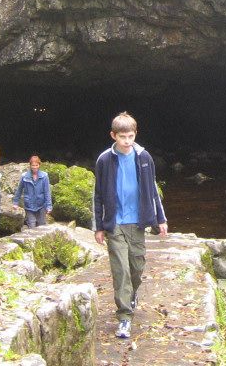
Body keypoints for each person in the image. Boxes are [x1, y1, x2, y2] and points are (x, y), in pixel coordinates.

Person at [94, 112, 168, 340]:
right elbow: (97, 194)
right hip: (114, 223)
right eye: (123, 137)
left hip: (137, 222)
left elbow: (152, 189)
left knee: (136, 267)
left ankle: (132, 294)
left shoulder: (143, 157)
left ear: (135, 134)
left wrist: (161, 219)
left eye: (131, 136)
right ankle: (125, 317)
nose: (127, 141)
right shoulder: (104, 159)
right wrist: (98, 225)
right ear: (113, 135)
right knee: (121, 271)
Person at [12, 155, 52, 228]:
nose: (35, 167)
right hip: (29, 205)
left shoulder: (44, 176)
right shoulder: (24, 176)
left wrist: (49, 206)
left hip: (41, 205)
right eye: (33, 165)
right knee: (32, 227)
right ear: (30, 165)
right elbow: (19, 190)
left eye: (36, 165)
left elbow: (47, 192)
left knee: (42, 227)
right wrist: (15, 202)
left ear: (39, 165)